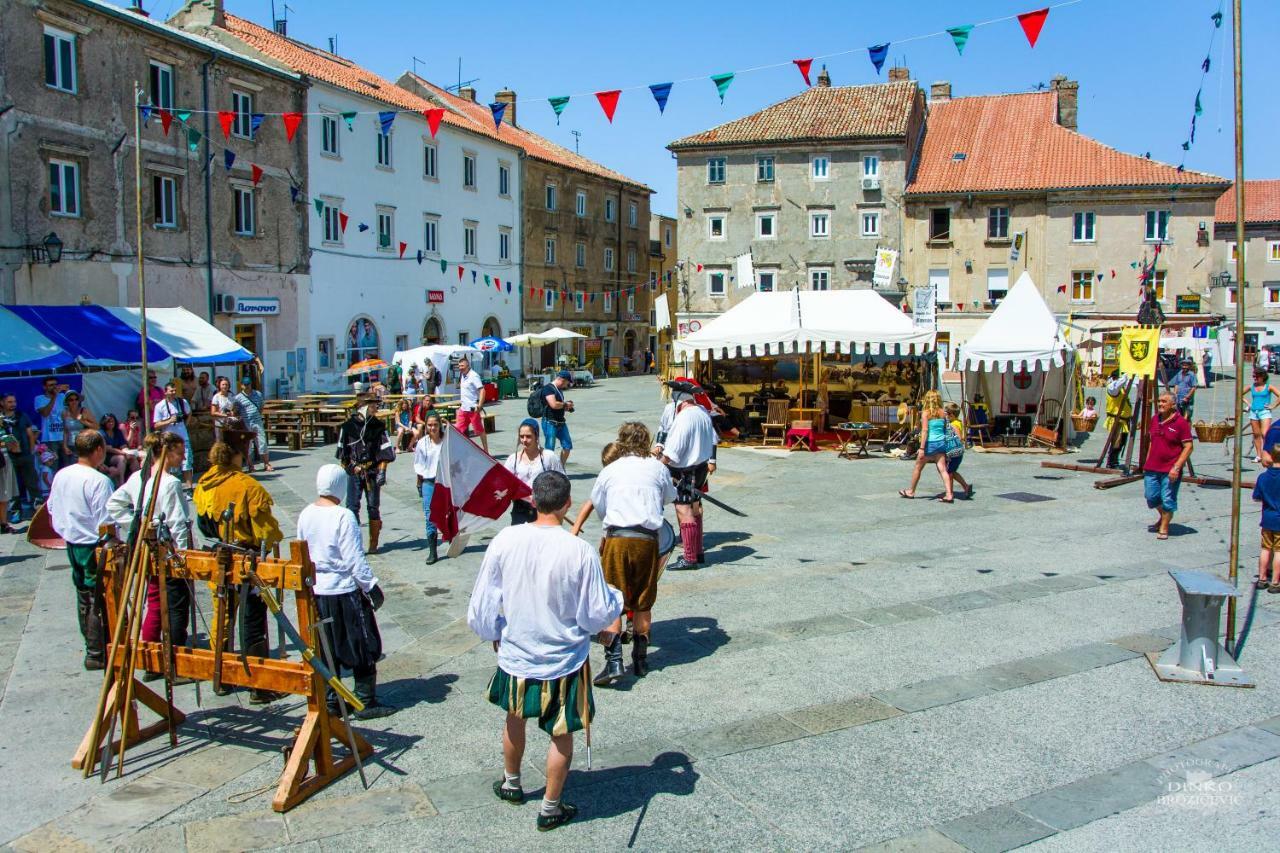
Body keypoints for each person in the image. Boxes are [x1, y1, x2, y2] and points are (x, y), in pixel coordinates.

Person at [466, 470, 623, 832]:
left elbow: (482, 602)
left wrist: (494, 631)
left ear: (533, 502)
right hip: (563, 658)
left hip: (518, 651)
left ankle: (511, 783)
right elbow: (597, 613)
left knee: (513, 717)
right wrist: (617, 598)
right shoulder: (579, 549)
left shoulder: (506, 539)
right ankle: (550, 807)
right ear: (567, 503)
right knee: (562, 732)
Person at [573, 422, 674, 684]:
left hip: (618, 538)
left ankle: (614, 662)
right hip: (647, 540)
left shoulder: (610, 470)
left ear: (622, 441)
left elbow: (601, 506)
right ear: (646, 441)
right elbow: (667, 497)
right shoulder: (657, 467)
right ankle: (640, 660)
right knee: (643, 601)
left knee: (611, 600)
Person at [298, 465, 396, 719]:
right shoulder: (343, 516)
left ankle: (333, 700)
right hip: (344, 590)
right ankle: (365, 700)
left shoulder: (305, 514)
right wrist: (371, 585)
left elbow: (303, 552)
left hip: (318, 591)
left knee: (328, 645)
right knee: (363, 643)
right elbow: (354, 559)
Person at [193, 441, 285, 703]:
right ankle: (258, 684)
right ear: (234, 456)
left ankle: (219, 676)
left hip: (220, 554)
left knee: (222, 614)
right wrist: (272, 538)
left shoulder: (204, 483)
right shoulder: (246, 486)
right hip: (245, 558)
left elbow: (203, 524)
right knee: (251, 618)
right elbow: (266, 530)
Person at [106, 431, 193, 678]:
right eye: (178, 452)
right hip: (167, 549)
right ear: (165, 453)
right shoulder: (167, 482)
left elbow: (115, 505)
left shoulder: (138, 478)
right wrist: (184, 556)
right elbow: (177, 523)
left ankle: (151, 656)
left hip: (148, 545)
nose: (182, 457)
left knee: (154, 600)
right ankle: (174, 663)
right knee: (175, 605)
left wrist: (142, 524)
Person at [46, 430, 114, 669]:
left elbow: (52, 508)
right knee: (97, 597)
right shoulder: (98, 481)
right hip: (91, 544)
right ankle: (96, 652)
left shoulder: (62, 474)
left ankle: (93, 648)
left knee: (84, 595)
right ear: (97, 450)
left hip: (72, 542)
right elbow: (106, 522)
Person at [661, 382, 718, 570]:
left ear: (678, 400)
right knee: (694, 509)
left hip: (686, 470)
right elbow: (713, 440)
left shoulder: (684, 417)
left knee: (684, 511)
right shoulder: (702, 413)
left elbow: (673, 450)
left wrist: (658, 464)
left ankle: (690, 558)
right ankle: (698, 552)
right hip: (700, 467)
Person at [337, 395, 389, 553]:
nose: (377, 407)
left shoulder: (378, 426)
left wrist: (382, 471)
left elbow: (386, 451)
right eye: (374, 405)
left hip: (372, 472)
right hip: (354, 473)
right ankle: (354, 544)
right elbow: (342, 455)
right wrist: (352, 468)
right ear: (365, 406)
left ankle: (373, 544)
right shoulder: (347, 427)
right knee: (352, 508)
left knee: (373, 507)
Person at [1144, 393, 1194, 541]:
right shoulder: (1155, 419)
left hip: (1170, 468)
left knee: (1167, 499)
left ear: (1173, 405)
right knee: (1151, 497)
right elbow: (1152, 442)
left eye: (1164, 401)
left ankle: (1164, 526)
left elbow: (1189, 446)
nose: (1160, 404)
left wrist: (1177, 467)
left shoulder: (1181, 423)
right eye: (1159, 401)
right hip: (1152, 467)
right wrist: (1147, 461)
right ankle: (1163, 516)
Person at [504, 418, 565, 525]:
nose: (524, 440)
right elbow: (505, 484)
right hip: (519, 510)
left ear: (536, 436)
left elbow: (562, 482)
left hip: (544, 510)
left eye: (528, 436)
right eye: (521, 436)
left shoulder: (549, 457)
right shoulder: (513, 459)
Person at [899, 390, 954, 503]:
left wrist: (922, 448)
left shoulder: (926, 413)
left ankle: (911, 491)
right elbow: (945, 429)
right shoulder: (943, 413)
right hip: (941, 443)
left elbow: (925, 431)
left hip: (930, 443)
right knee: (942, 469)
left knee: (918, 467)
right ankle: (949, 494)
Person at [2, 393, 41, 518]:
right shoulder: (0, 418)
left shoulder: (22, 416)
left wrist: (30, 452)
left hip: (25, 455)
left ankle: (38, 508)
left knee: (32, 483)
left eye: (14, 402)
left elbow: (30, 434)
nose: (13, 404)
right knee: (13, 486)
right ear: (2, 403)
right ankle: (15, 511)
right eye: (9, 402)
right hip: (8, 457)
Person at [414, 411, 445, 565]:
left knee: (450, 513)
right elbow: (418, 465)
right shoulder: (422, 443)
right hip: (429, 482)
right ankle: (433, 551)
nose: (433, 428)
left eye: (435, 425)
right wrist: (419, 483)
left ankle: (453, 539)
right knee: (430, 516)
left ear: (440, 425)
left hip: (445, 482)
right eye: (430, 425)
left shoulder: (447, 441)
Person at [153, 382, 194, 488]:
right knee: (172, 465)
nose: (173, 392)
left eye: (175, 390)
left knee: (187, 464)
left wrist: (186, 424)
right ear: (166, 392)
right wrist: (169, 421)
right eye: (171, 391)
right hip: (169, 439)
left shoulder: (182, 402)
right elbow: (156, 425)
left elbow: (189, 413)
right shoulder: (160, 406)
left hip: (183, 437)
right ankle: (174, 487)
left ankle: (189, 488)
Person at [1253, 446, 1280, 592]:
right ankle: (1275, 582)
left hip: (1267, 518)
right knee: (1279, 551)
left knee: (1265, 548)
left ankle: (1262, 579)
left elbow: (1256, 498)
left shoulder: (1263, 477)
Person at [234, 376, 272, 473]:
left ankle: (266, 464)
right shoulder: (238, 398)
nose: (247, 386)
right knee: (248, 446)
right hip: (246, 424)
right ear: (241, 385)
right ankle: (251, 466)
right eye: (245, 385)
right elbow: (236, 411)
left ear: (251, 384)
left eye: (248, 384)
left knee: (262, 442)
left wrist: (257, 415)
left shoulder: (258, 394)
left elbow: (261, 407)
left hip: (257, 422)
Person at [1244, 370, 1280, 464]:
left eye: (1256, 376)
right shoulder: (1251, 386)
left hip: (1265, 412)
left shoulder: (1269, 387)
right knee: (1256, 434)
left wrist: (1273, 405)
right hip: (1254, 412)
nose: (1254, 378)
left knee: (1265, 434)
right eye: (1253, 376)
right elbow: (1239, 393)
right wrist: (1248, 403)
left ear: (1262, 376)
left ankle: (1267, 454)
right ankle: (1259, 455)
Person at [541, 370, 575, 466]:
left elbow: (558, 406)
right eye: (567, 383)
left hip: (560, 422)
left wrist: (567, 407)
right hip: (550, 422)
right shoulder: (548, 388)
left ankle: (560, 468)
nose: (567, 385)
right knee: (549, 449)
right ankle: (547, 469)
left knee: (567, 446)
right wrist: (565, 404)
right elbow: (554, 405)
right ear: (562, 380)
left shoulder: (559, 390)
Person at [455, 357, 489, 454]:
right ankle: (460, 451)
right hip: (463, 408)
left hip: (472, 409)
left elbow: (482, 390)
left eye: (462, 366)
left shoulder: (474, 376)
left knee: (479, 431)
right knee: (458, 431)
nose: (460, 368)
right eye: (459, 366)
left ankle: (486, 451)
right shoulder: (462, 375)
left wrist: (480, 405)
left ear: (468, 365)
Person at [34, 376, 68, 470]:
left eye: (55, 384)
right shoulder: (39, 399)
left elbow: (73, 409)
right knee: (53, 467)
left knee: (69, 465)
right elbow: (45, 413)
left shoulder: (63, 396)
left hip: (65, 437)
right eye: (50, 385)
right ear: (44, 387)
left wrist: (67, 392)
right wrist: (54, 397)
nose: (54, 387)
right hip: (49, 439)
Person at [1105, 370, 1134, 470]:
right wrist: (1127, 373)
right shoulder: (1112, 388)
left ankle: (1114, 461)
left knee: (1121, 442)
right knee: (1116, 442)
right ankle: (1111, 462)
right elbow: (1118, 383)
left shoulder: (1121, 389)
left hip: (1123, 420)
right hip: (1117, 420)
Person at [944, 402, 973, 499]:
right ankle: (966, 486)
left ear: (951, 415)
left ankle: (950, 493)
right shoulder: (957, 422)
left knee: (949, 473)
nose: (945, 415)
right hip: (958, 453)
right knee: (952, 471)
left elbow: (959, 437)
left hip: (954, 452)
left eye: (946, 413)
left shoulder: (954, 425)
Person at [98, 414, 133, 486]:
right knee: (121, 458)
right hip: (106, 457)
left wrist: (127, 452)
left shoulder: (117, 432)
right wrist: (123, 453)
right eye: (108, 422)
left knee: (133, 459)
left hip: (119, 454)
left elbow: (123, 445)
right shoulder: (101, 433)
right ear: (104, 423)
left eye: (112, 421)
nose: (111, 423)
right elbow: (108, 449)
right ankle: (121, 483)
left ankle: (135, 482)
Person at [60, 391, 96, 462]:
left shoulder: (84, 411)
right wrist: (65, 446)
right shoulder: (64, 413)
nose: (74, 401)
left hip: (83, 445)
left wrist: (84, 421)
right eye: (71, 400)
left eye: (76, 399)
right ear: (67, 402)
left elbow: (96, 427)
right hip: (70, 445)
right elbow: (65, 431)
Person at [0, 424, 18, 533]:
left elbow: (15, 449)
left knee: (5, 495)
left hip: (4, 461)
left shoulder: (4, 426)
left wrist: (12, 442)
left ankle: (3, 523)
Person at [210, 376, 238, 444]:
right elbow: (213, 412)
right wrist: (224, 415)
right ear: (219, 386)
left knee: (231, 442)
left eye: (226, 384)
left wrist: (232, 412)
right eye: (223, 384)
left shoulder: (232, 396)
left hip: (230, 423)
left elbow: (234, 408)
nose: (225, 386)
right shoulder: (216, 397)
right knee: (220, 443)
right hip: (220, 423)